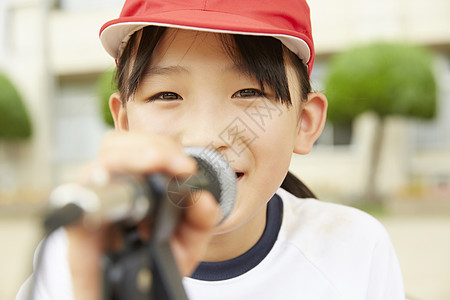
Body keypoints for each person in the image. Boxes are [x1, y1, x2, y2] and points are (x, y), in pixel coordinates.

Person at [17, 0, 405, 299]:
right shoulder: (74, 259)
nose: (205, 136)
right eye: (166, 94)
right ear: (124, 125)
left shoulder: (353, 246)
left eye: (249, 92)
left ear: (304, 123)